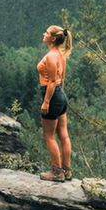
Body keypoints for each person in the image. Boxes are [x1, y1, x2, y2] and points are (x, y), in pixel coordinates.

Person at [37, 24, 72, 181]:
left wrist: (46, 102)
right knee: (63, 135)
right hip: (60, 96)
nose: (43, 34)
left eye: (46, 32)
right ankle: (67, 170)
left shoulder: (51, 56)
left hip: (52, 95)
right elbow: (61, 79)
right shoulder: (61, 54)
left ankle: (57, 173)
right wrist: (60, 97)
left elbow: (51, 81)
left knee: (49, 136)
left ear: (52, 38)